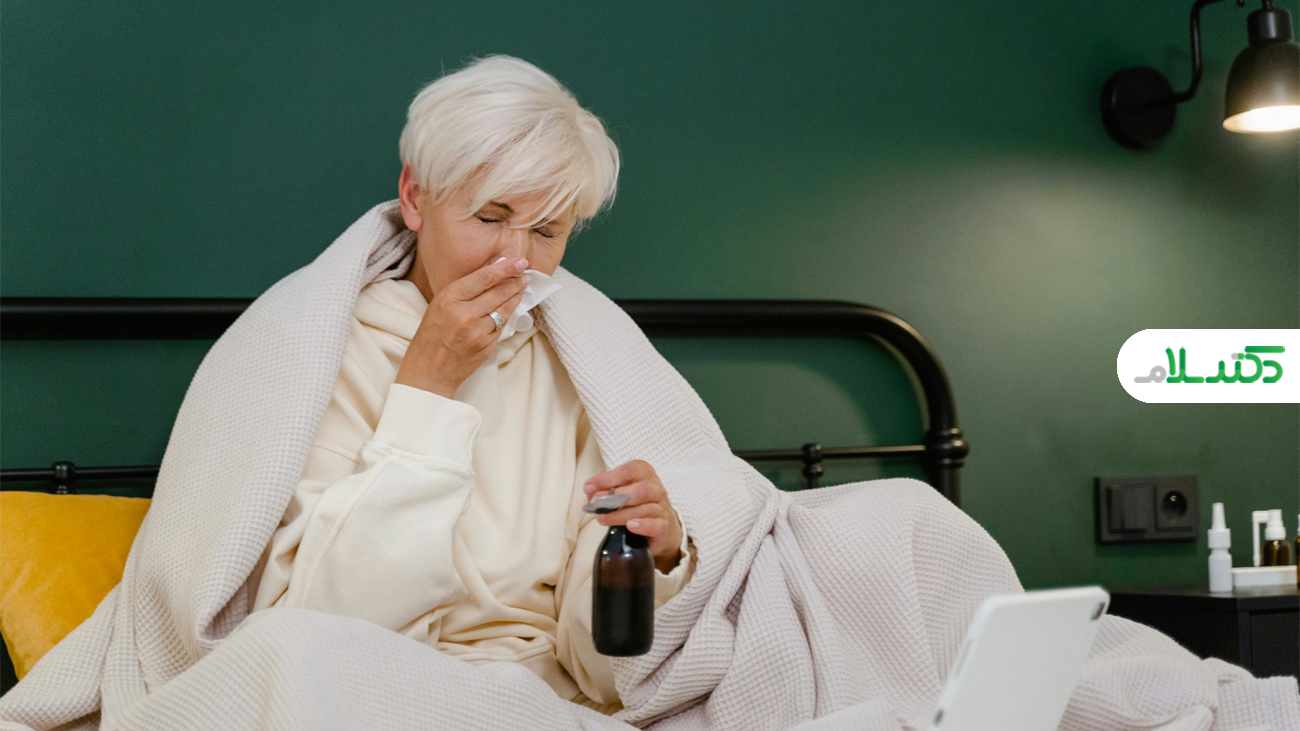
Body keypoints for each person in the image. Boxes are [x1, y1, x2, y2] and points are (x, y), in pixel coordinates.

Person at [249, 53, 698, 716]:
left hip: (548, 704)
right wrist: (427, 385)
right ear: (415, 198)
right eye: (490, 217)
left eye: (546, 230)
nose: (515, 259)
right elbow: (327, 635)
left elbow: (606, 677)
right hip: (375, 696)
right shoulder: (316, 352)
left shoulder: (584, 368)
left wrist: (655, 561)